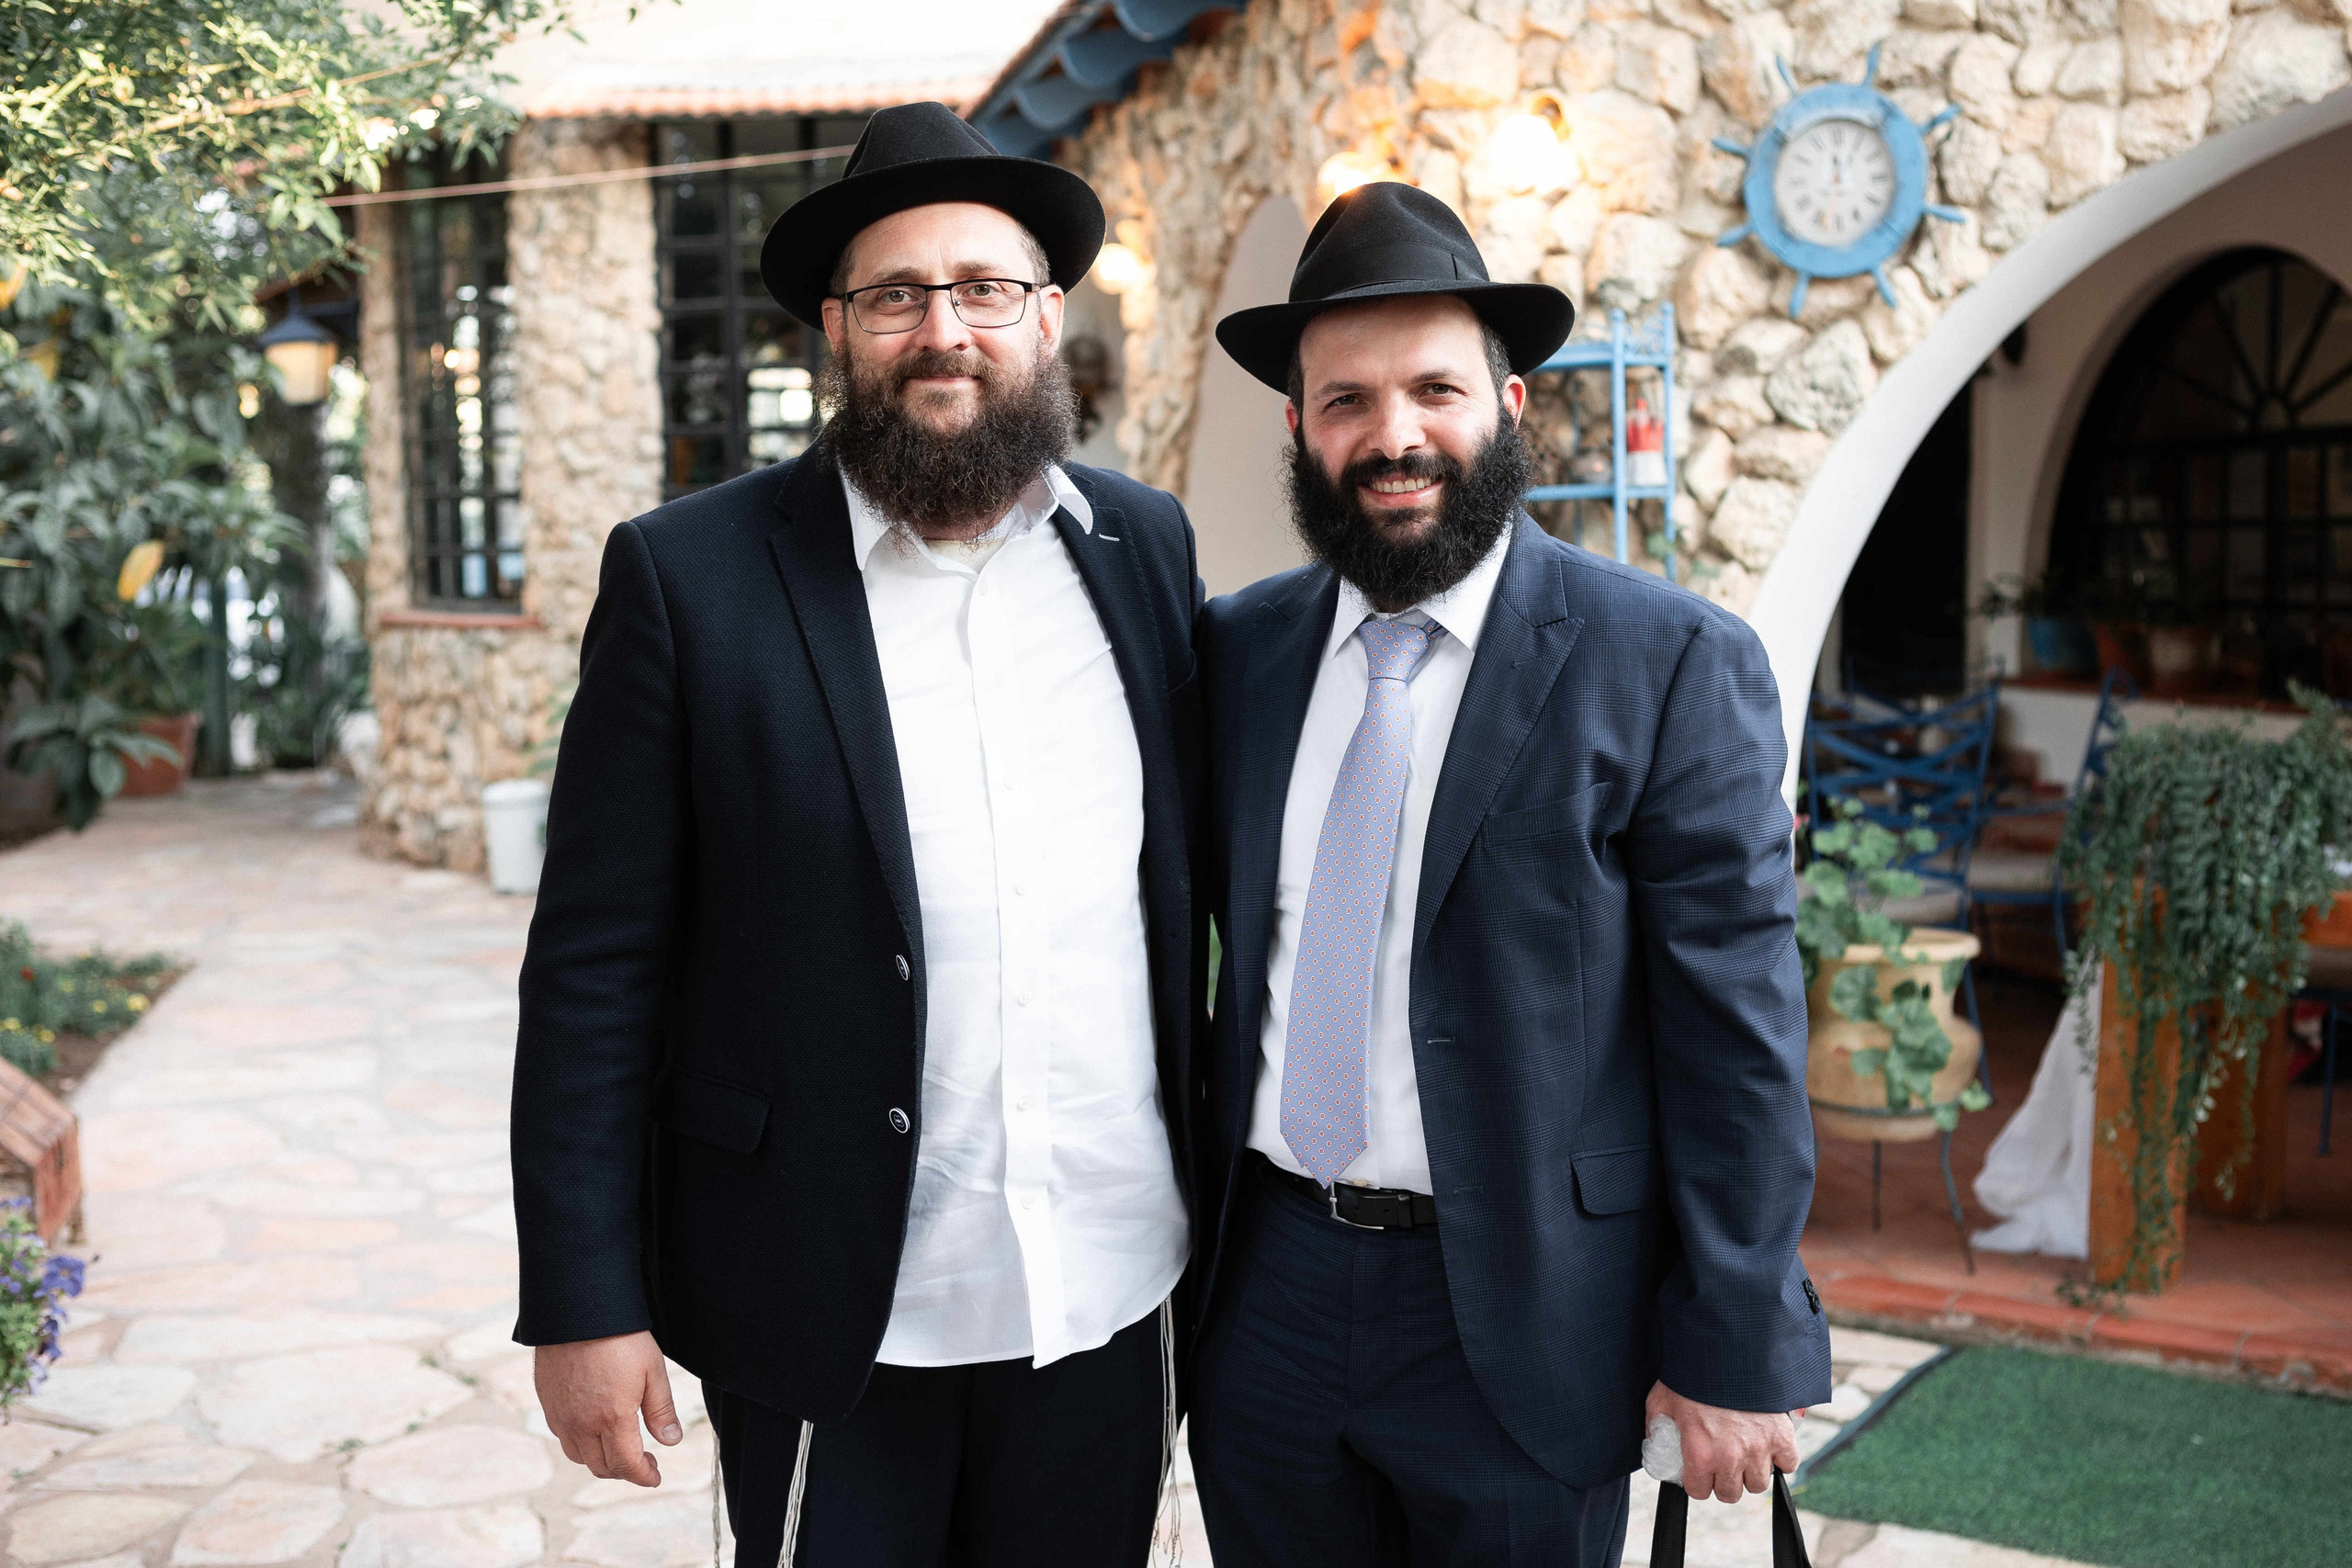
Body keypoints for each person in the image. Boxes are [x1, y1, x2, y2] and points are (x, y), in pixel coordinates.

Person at [509, 101, 1204, 1568]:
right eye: (895, 296)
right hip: (835, 1298)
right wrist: (585, 1296)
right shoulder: (690, 577)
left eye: (983, 290)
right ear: (837, 329)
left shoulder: (1143, 551)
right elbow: (593, 968)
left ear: (1048, 317)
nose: (941, 329)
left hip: (1109, 1282)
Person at [1187, 181, 1831, 1567]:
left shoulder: (1668, 664)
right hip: (1267, 1299)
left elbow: (1738, 1031)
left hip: (1532, 1313)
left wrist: (1734, 1333)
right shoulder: (1235, 656)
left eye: (1435, 388)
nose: (1394, 435)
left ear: (1512, 403)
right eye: (1347, 401)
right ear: (1297, 428)